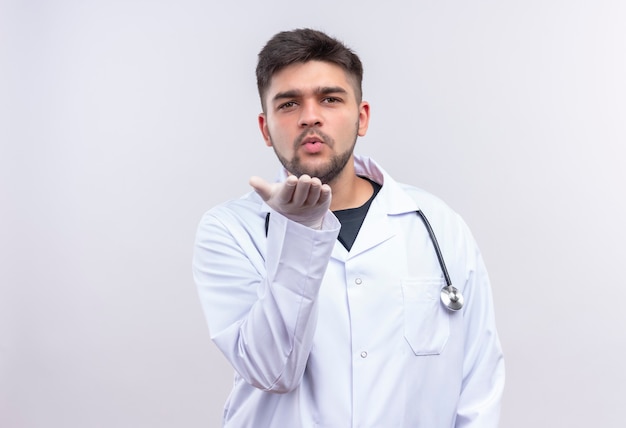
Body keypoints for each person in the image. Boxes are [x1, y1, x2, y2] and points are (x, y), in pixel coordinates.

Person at [193, 28, 505, 427]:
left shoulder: (437, 224)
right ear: (265, 127)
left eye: (330, 99)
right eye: (288, 104)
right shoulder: (230, 231)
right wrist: (299, 232)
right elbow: (272, 371)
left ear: (361, 118)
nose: (310, 116)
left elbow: (479, 383)